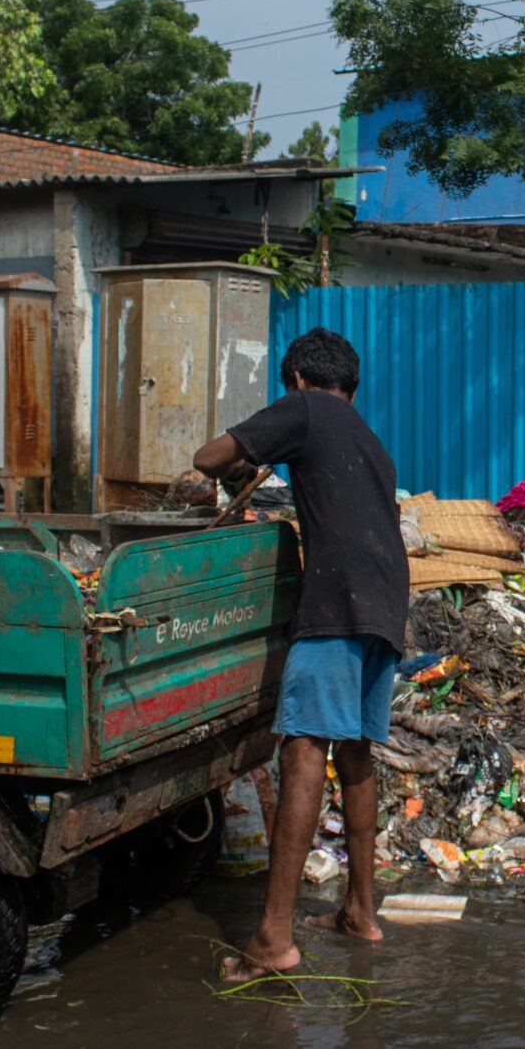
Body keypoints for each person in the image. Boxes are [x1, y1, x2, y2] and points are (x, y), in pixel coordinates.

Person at [193, 328, 409, 978]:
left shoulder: (307, 409)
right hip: (387, 601)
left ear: (297, 381)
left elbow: (209, 458)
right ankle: (361, 911)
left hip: (336, 599)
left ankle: (272, 939)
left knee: (305, 744)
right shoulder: (371, 440)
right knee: (357, 749)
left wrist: (241, 459)